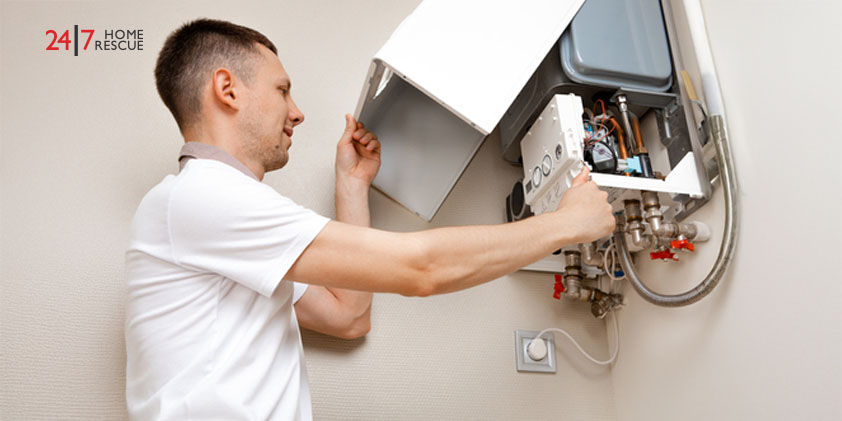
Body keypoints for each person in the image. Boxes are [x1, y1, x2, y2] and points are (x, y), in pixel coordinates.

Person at [124, 18, 615, 420]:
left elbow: (348, 315)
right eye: (282, 90)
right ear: (227, 90)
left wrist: (352, 187)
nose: (296, 113)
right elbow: (420, 269)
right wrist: (567, 223)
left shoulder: (220, 224)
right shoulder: (202, 197)